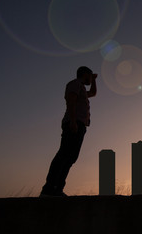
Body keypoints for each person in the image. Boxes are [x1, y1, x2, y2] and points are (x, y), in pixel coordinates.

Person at [40, 66, 97, 197]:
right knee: (64, 154)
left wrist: (93, 80)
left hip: (80, 125)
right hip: (74, 123)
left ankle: (57, 189)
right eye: (90, 75)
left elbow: (93, 93)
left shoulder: (82, 88)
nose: (90, 78)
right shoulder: (75, 84)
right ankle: (49, 189)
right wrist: (72, 121)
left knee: (70, 157)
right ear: (85, 74)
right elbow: (71, 101)